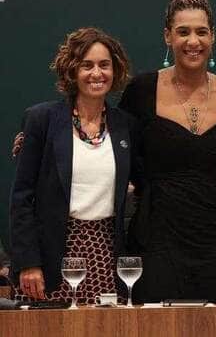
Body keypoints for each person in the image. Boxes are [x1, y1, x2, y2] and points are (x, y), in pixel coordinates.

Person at [119, 0, 216, 302]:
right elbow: (108, 145)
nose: (193, 41)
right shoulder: (141, 92)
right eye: (183, 32)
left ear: (213, 37)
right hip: (157, 241)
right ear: (168, 36)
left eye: (202, 32)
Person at [10, 27, 138, 303]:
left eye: (104, 65)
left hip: (105, 255)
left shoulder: (125, 126)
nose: (96, 73)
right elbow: (21, 198)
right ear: (72, 71)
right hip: (50, 258)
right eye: (87, 65)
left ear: (115, 71)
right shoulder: (41, 120)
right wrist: (28, 262)